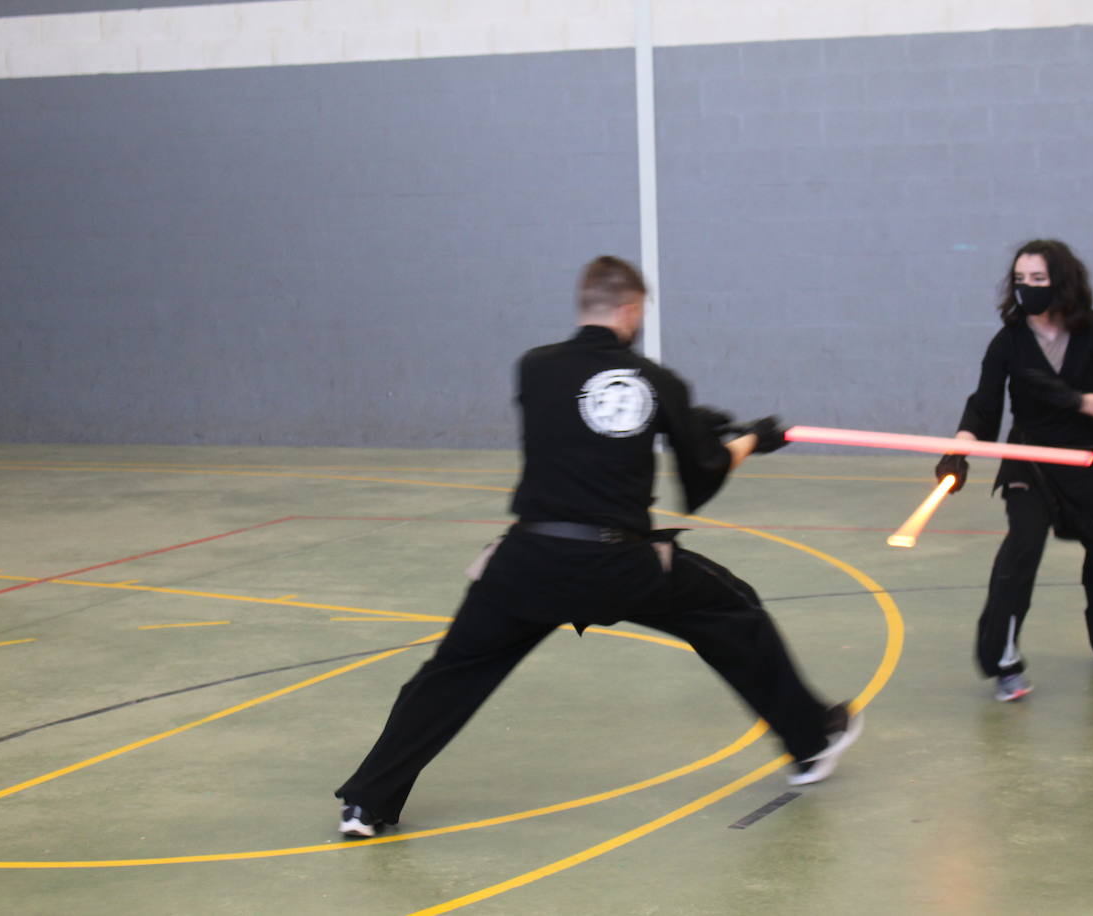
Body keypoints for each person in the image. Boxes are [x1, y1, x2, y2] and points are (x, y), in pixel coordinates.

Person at [335, 256, 862, 837]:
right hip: (620, 564)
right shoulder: (657, 382)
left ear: (585, 303)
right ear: (632, 308)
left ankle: (367, 803)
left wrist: (682, 420)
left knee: (450, 674)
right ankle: (811, 744)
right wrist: (745, 441)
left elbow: (583, 425)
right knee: (732, 609)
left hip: (528, 562)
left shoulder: (533, 369)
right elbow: (702, 477)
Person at [936, 239, 1093, 703]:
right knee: (1021, 549)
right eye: (1019, 280)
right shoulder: (1009, 340)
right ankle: (1003, 662)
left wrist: (1071, 399)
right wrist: (959, 451)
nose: (1027, 288)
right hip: (1031, 462)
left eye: (1038, 280)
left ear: (1062, 282)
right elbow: (983, 406)